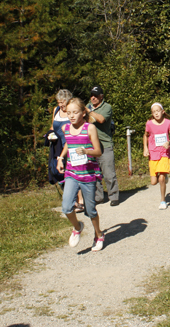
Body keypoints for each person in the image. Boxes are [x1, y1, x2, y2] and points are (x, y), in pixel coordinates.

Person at [56, 97, 105, 251]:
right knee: (66, 207)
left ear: (83, 112)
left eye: (75, 112)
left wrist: (86, 151)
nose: (71, 116)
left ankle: (99, 234)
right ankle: (77, 227)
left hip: (88, 174)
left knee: (90, 210)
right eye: (68, 112)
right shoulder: (66, 128)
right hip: (71, 173)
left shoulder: (90, 128)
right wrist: (60, 158)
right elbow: (68, 144)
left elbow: (98, 151)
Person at [49, 89, 84, 212]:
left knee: (74, 172)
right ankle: (71, 200)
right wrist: (50, 134)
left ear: (68, 100)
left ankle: (81, 201)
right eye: (59, 102)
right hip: (58, 145)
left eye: (62, 102)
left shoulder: (72, 111)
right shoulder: (56, 110)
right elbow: (53, 126)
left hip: (71, 144)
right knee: (61, 172)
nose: (60, 105)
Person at [88, 86, 119, 206]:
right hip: (91, 145)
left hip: (104, 144)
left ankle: (114, 196)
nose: (93, 97)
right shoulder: (87, 105)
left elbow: (101, 119)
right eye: (91, 95)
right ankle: (98, 197)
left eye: (96, 95)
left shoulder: (107, 107)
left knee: (109, 173)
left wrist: (88, 112)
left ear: (101, 96)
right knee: (94, 173)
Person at [143, 103, 170, 210]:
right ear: (152, 114)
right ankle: (164, 177)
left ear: (162, 111)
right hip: (153, 153)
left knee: (161, 178)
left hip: (164, 153)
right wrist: (145, 148)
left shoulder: (168, 123)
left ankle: (163, 201)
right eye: (154, 112)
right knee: (153, 182)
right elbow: (145, 136)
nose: (156, 113)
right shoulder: (149, 124)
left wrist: (169, 143)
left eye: (158, 111)